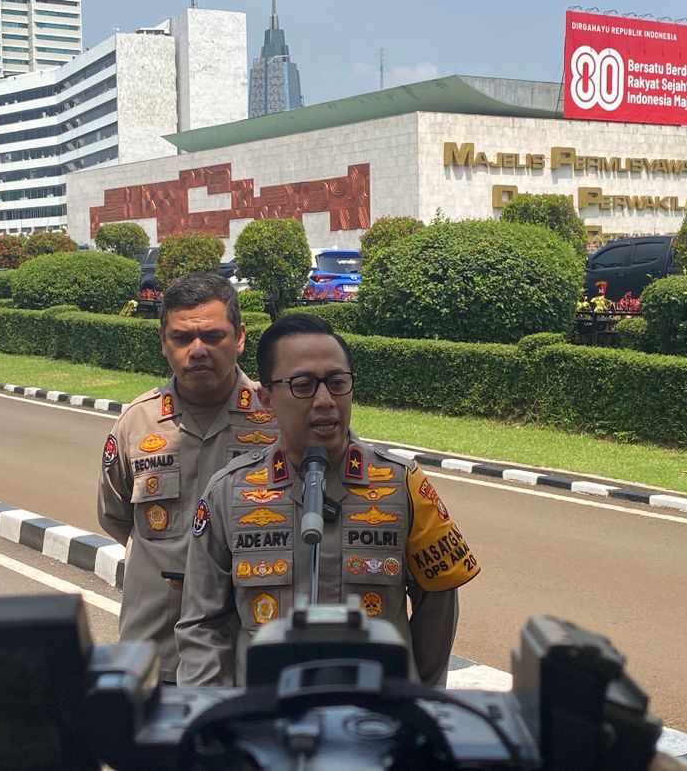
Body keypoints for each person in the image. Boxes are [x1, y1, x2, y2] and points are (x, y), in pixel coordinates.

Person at [175, 314, 478, 686]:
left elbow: (439, 604)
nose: (325, 400)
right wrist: (219, 710)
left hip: (373, 711)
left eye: (337, 383)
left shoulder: (403, 484)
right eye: (303, 385)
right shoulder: (228, 492)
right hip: (268, 712)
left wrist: (411, 697)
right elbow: (201, 624)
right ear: (266, 399)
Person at [97, 273, 275, 683]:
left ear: (240, 337)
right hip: (156, 651)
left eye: (213, 336)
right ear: (163, 341)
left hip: (248, 652)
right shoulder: (136, 424)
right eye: (181, 338)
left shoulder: (276, 422)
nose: (197, 350)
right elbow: (115, 516)